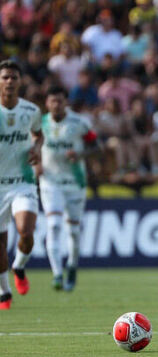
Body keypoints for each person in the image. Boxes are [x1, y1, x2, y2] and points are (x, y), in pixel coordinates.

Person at [39, 86, 101, 291]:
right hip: (50, 181)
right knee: (54, 225)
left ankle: (72, 266)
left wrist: (80, 155)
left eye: (60, 101)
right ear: (47, 103)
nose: (56, 105)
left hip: (75, 181)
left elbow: (97, 147)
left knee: (73, 231)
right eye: (52, 101)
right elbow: (30, 146)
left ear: (66, 102)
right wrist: (35, 163)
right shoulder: (40, 123)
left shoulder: (79, 123)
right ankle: (57, 273)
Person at [0, 59, 43, 309]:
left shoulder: (31, 111)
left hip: (22, 183)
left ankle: (20, 265)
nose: (9, 81)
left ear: (20, 81)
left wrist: (37, 147)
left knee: (26, 233)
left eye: (13, 77)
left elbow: (39, 133)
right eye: (5, 77)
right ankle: (4, 291)